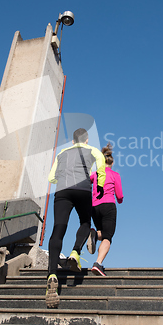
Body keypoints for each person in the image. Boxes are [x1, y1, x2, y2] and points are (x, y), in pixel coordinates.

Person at [45, 128, 106, 308]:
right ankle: (75, 252)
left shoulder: (62, 153)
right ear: (86, 140)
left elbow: (51, 177)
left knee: (58, 228)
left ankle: (52, 274)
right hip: (82, 189)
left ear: (73, 141)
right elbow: (101, 168)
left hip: (63, 191)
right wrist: (100, 186)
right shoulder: (93, 150)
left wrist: (63, 181)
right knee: (86, 222)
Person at [87, 143, 124, 276]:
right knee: (108, 237)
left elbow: (87, 180)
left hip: (94, 207)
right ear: (112, 163)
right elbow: (119, 196)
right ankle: (98, 263)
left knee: (102, 232)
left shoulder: (96, 174)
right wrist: (120, 200)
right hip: (108, 206)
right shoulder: (115, 175)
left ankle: (94, 235)